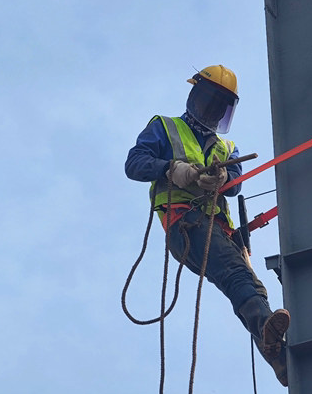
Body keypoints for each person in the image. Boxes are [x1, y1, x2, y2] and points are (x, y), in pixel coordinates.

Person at [124, 65, 289, 387]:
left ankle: (276, 354)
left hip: (218, 229)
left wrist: (222, 178)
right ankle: (266, 330)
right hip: (184, 222)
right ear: (194, 96)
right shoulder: (165, 127)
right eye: (207, 102)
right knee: (236, 275)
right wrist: (172, 169)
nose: (211, 111)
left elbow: (235, 184)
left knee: (248, 285)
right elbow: (134, 164)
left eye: (218, 107)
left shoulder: (226, 149)